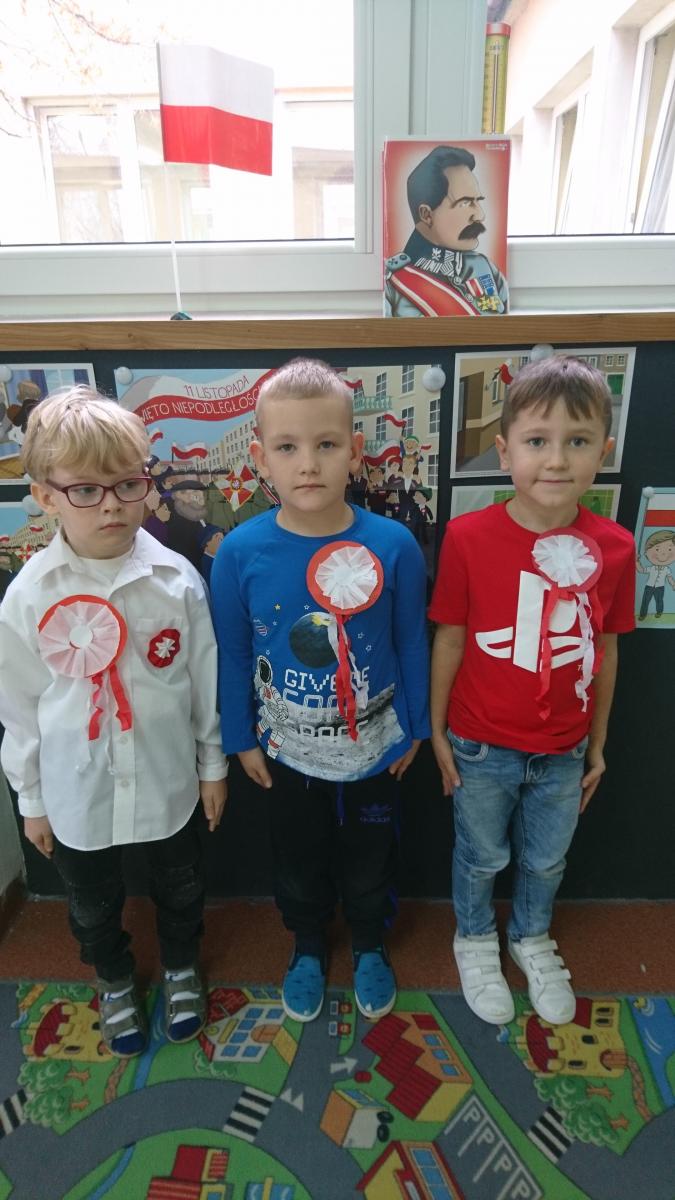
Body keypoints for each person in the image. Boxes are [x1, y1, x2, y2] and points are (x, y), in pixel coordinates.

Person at [0, 387, 227, 1058]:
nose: (113, 505)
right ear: (45, 497)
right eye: (86, 491)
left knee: (181, 884)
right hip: (77, 789)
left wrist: (212, 765)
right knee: (91, 903)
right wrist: (31, 800)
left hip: (166, 777)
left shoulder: (176, 580)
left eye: (128, 484)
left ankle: (181, 965)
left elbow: (202, 681)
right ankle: (114, 977)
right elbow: (19, 707)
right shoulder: (28, 596)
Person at [210, 358, 430, 1024]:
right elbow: (233, 653)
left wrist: (416, 726)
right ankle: (307, 945)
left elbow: (411, 641)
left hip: (376, 748)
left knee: (370, 855)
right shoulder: (238, 553)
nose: (308, 464)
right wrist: (240, 737)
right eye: (287, 447)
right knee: (298, 859)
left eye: (326, 444)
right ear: (260, 459)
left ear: (354, 451)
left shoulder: (394, 544)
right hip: (285, 752)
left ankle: (367, 942)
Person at [428, 357, 635, 1027]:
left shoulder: (616, 547)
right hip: (480, 743)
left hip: (564, 748)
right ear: (504, 450)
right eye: (537, 440)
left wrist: (597, 742)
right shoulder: (468, 537)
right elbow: (451, 637)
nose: (556, 459)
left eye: (577, 441)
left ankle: (529, 935)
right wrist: (436, 731)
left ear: (603, 451)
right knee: (481, 855)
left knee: (546, 859)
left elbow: (606, 650)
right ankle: (473, 937)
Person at [384, 145, 509, 317]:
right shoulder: (393, 283)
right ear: (427, 215)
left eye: (477, 201)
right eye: (465, 203)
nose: (480, 215)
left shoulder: (484, 267)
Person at [636, 529, 675, 620]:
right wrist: (637, 562)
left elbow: (669, 578)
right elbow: (641, 570)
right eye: (657, 549)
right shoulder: (651, 568)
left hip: (660, 588)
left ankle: (659, 612)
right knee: (645, 601)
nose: (663, 554)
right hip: (649, 587)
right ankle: (642, 615)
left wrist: (673, 584)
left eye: (670, 549)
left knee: (659, 600)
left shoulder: (666, 569)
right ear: (646, 553)